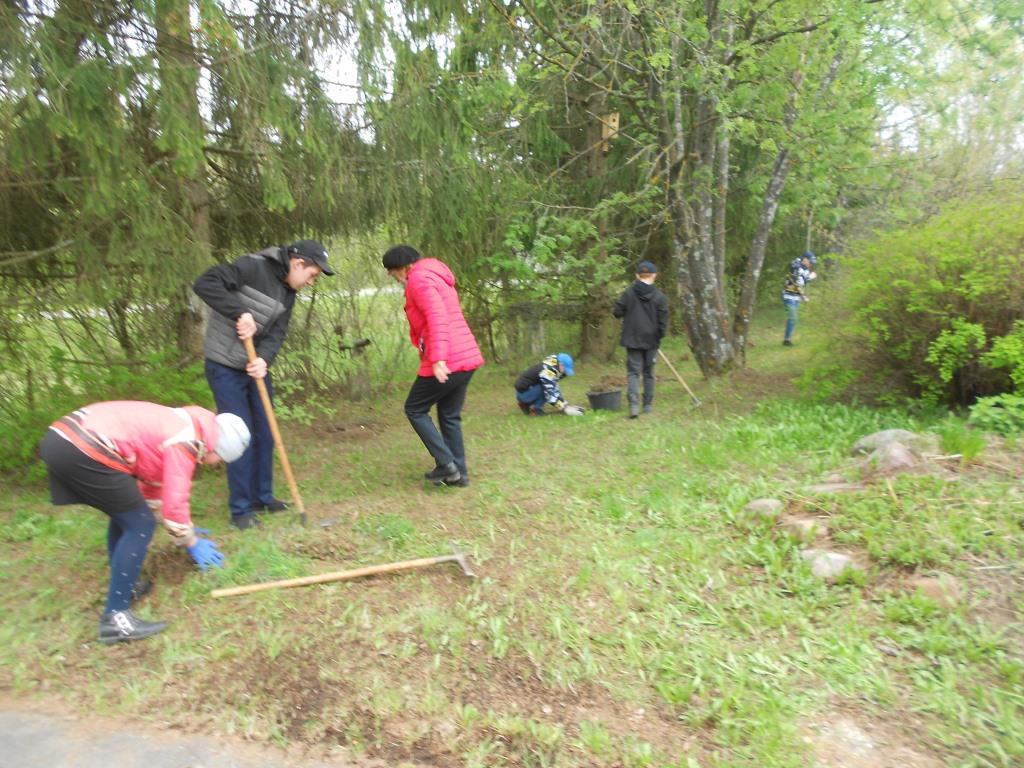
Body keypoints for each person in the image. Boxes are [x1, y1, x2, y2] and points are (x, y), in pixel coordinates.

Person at [38, 401, 251, 644]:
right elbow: (174, 503)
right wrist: (190, 540)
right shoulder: (187, 440)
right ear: (220, 447)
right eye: (221, 459)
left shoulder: (184, 424)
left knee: (128, 515)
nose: (216, 464)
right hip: (83, 445)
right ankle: (116, 619)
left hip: (63, 439)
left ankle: (124, 586)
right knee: (140, 524)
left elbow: (152, 491)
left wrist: (183, 526)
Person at [193, 240, 334, 529]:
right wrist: (239, 312)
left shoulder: (288, 291)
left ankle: (262, 497)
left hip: (254, 366)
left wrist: (265, 360)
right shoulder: (252, 266)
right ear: (298, 263)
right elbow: (205, 283)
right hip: (224, 365)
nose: (311, 281)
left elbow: (277, 334)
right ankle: (241, 511)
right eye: (312, 274)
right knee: (238, 436)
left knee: (265, 432)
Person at [383, 244, 484, 487]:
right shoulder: (434, 275)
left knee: (415, 409)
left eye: (391, 270)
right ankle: (458, 474)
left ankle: (446, 464)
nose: (390, 275)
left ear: (403, 266)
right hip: (465, 356)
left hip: (448, 358)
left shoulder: (418, 280)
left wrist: (438, 359)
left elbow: (437, 316)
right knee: (449, 415)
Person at [612, 260, 669, 418]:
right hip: (651, 341)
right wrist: (659, 336)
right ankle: (648, 405)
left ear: (637, 275)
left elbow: (617, 312)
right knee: (649, 373)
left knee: (633, 373)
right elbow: (663, 322)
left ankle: (633, 406)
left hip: (632, 339)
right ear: (654, 276)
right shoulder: (660, 297)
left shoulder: (628, 293)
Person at [514, 353, 585, 416]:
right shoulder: (548, 371)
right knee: (546, 388)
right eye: (565, 369)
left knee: (548, 387)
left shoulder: (554, 365)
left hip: (527, 391)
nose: (565, 372)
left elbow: (555, 388)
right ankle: (535, 409)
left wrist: (565, 405)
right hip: (523, 394)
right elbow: (550, 395)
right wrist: (564, 408)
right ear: (561, 364)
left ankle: (527, 405)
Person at [782, 251, 817, 346]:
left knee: (792, 318)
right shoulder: (796, 266)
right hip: (788, 296)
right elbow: (796, 283)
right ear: (805, 259)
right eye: (810, 262)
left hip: (796, 297)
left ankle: (787, 338)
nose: (811, 264)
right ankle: (787, 340)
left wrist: (809, 278)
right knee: (792, 317)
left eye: (812, 262)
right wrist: (804, 296)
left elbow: (803, 282)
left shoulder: (805, 269)